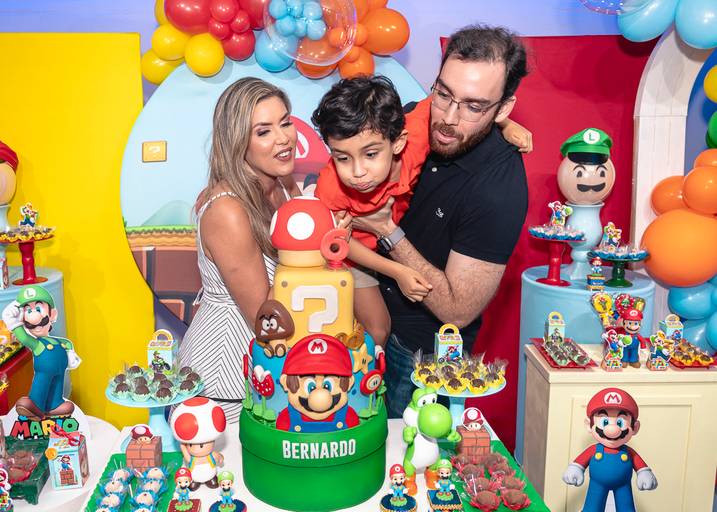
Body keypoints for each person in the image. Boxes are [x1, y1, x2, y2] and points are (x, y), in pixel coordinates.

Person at [351, 25, 531, 417]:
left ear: (503, 109)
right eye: (444, 94)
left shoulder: (499, 188)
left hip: (419, 359)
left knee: (412, 453)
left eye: (473, 107)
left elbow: (458, 309)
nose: (448, 118)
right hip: (361, 328)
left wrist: (386, 229)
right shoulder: (414, 122)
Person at [312, 76, 531, 347]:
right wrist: (397, 271)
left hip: (389, 253)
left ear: (398, 142)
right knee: (379, 329)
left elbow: (458, 111)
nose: (357, 172)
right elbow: (340, 245)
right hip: (355, 256)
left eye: (370, 154)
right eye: (342, 158)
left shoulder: (416, 136)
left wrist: (505, 124)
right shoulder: (330, 187)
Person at [179, 77, 301, 422]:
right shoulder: (228, 210)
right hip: (226, 375)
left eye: (285, 123)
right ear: (237, 142)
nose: (283, 138)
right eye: (263, 131)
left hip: (270, 362)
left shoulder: (282, 183)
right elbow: (265, 317)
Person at [562, 387, 657, 512]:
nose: (612, 430)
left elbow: (639, 464)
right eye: (605, 421)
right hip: (597, 484)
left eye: (620, 422)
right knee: (592, 507)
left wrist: (644, 473)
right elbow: (580, 461)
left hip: (623, 485)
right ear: (589, 425)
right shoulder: (593, 450)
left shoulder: (628, 452)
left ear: (635, 427)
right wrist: (575, 468)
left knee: (626, 508)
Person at [1, 285, 81, 420]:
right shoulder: (36, 344)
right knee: (42, 382)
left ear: (52, 314)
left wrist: (71, 353)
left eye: (38, 309)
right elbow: (23, 337)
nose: (34, 317)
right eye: (28, 310)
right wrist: (10, 318)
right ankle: (35, 405)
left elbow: (67, 345)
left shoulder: (59, 341)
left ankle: (55, 405)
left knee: (57, 385)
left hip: (60, 371)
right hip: (44, 371)